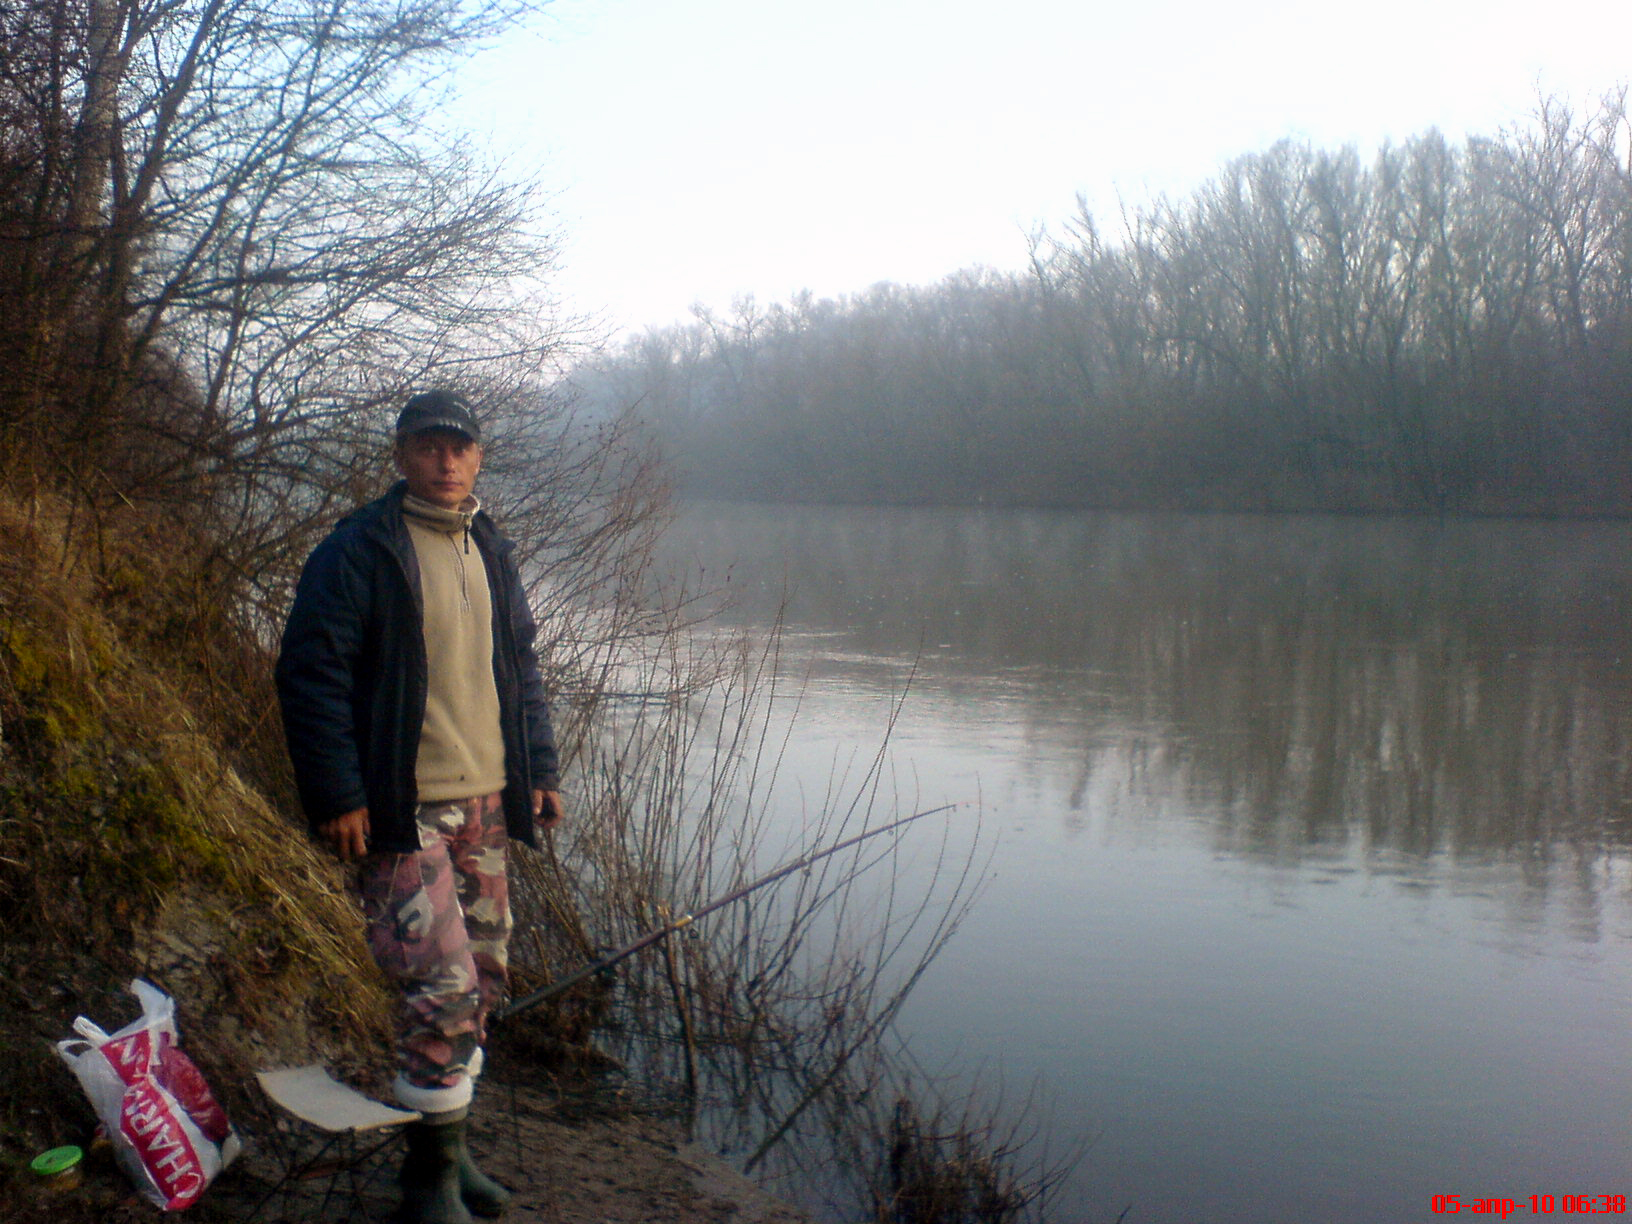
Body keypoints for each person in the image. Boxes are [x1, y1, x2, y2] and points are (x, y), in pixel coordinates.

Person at [276, 390, 564, 1224]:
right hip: (402, 811)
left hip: (488, 804)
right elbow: (312, 675)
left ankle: (449, 1153)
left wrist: (539, 768)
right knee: (440, 986)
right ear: (400, 455)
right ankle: (427, 1186)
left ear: (479, 457)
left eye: (460, 447)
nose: (446, 461)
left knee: (484, 977)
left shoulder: (491, 547)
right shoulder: (359, 548)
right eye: (429, 446)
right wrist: (339, 794)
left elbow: (521, 668)